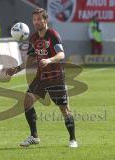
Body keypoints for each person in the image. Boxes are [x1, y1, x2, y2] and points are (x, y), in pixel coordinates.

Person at [6, 8, 78, 148]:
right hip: (41, 77)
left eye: (39, 19)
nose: (36, 22)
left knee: (64, 109)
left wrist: (49, 60)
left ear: (45, 20)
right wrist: (17, 69)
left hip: (56, 78)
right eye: (34, 19)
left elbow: (61, 54)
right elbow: (31, 59)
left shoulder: (53, 35)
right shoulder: (33, 38)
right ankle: (34, 136)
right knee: (27, 102)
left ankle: (73, 139)